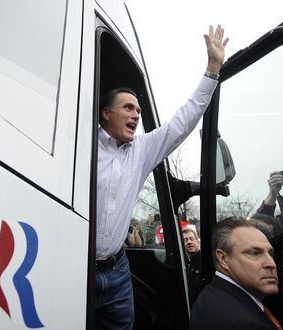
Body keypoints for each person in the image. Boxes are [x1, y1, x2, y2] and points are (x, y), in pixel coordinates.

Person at [95, 24, 229, 329]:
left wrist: (212, 68)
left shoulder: (142, 149)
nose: (136, 115)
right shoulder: (81, 146)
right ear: (106, 113)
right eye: (128, 108)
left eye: (139, 110)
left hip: (117, 271)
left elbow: (183, 122)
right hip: (76, 269)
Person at [189, 217, 282, 330]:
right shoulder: (242, 323)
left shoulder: (212, 295)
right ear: (223, 258)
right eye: (254, 253)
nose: (271, 264)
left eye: (271, 254)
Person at [183, 228, 203, 306]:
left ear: (198, 242)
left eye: (191, 239)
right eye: (185, 240)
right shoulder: (184, 265)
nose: (189, 242)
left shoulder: (206, 261)